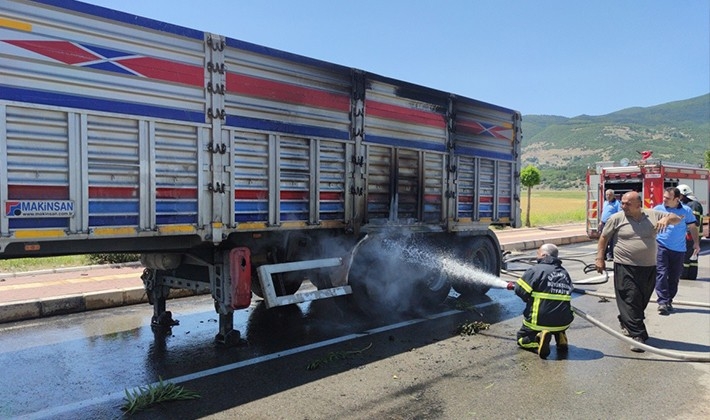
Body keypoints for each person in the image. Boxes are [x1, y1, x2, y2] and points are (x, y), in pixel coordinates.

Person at [595, 191, 682, 352]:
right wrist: (599, 258)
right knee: (631, 297)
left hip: (649, 267)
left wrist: (667, 218)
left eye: (628, 203)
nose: (623, 206)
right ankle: (638, 336)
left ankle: (626, 320)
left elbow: (677, 219)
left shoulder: (653, 215)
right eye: (622, 203)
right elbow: (603, 238)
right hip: (625, 265)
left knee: (640, 300)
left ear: (638, 204)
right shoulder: (617, 218)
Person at [512, 243, 573, 359]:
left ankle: (537, 340)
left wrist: (528, 298)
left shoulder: (536, 270)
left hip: (539, 321)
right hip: (563, 322)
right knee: (558, 311)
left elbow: (520, 291)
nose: (537, 256)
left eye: (538, 253)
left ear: (544, 255)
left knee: (521, 338)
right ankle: (560, 335)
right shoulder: (565, 273)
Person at [653, 187, 699, 315]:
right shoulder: (658, 209)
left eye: (667, 198)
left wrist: (696, 243)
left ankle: (668, 300)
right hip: (661, 245)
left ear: (677, 199)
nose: (664, 200)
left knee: (674, 276)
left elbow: (692, 227)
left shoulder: (686, 210)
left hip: (679, 249)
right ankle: (662, 301)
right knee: (661, 272)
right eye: (664, 197)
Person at [677, 184, 704, 280]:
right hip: (693, 235)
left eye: (679, 195)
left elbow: (693, 221)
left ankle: (683, 275)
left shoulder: (692, 205)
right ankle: (691, 275)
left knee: (685, 256)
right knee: (693, 257)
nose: (678, 197)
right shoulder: (691, 204)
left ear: (684, 194)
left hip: (690, 235)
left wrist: (688, 233)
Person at [600, 189, 621, 260]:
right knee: (604, 239)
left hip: (612, 224)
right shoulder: (605, 202)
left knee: (611, 240)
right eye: (607, 195)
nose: (608, 196)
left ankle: (610, 254)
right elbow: (603, 212)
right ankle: (604, 255)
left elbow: (619, 214)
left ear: (613, 195)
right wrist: (600, 222)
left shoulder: (617, 203)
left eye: (610, 195)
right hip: (604, 223)